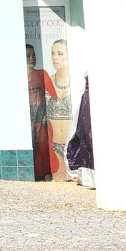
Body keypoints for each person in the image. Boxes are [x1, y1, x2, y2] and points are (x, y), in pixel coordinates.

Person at [27, 44, 57, 180]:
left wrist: (46, 113)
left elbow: (53, 97)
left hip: (41, 119)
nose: (32, 58)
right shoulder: (17, 77)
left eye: (33, 55)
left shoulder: (42, 74)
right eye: (28, 56)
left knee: (44, 147)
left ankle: (45, 174)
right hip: (27, 119)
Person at [47, 39, 74, 176]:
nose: (55, 58)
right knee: (58, 179)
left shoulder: (76, 80)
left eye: (60, 53)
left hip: (73, 142)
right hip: (53, 143)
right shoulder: (47, 81)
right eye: (53, 53)